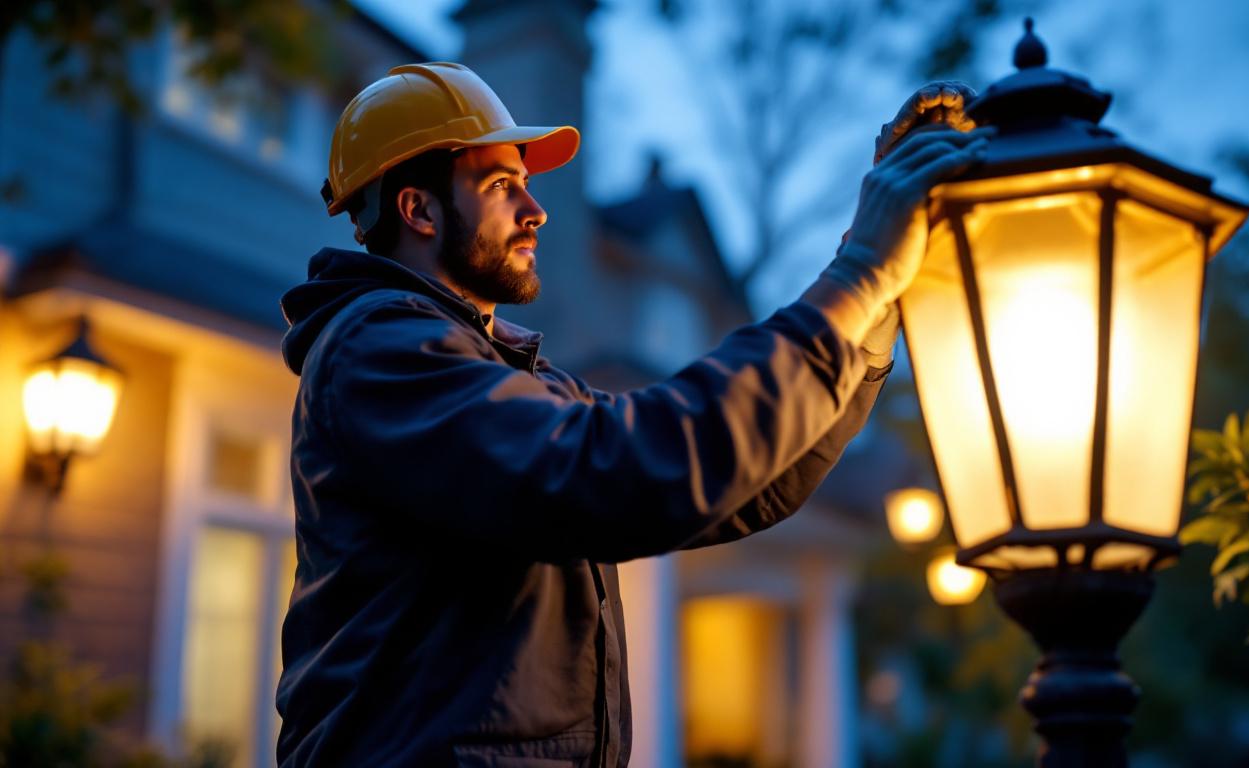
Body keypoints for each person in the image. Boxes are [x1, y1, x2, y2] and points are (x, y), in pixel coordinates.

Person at [276, 62, 985, 767]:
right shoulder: (379, 351)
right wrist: (857, 275)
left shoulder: (518, 379)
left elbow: (748, 479)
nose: (535, 209)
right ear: (419, 210)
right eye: (500, 185)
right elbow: (625, 471)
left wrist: (876, 303)